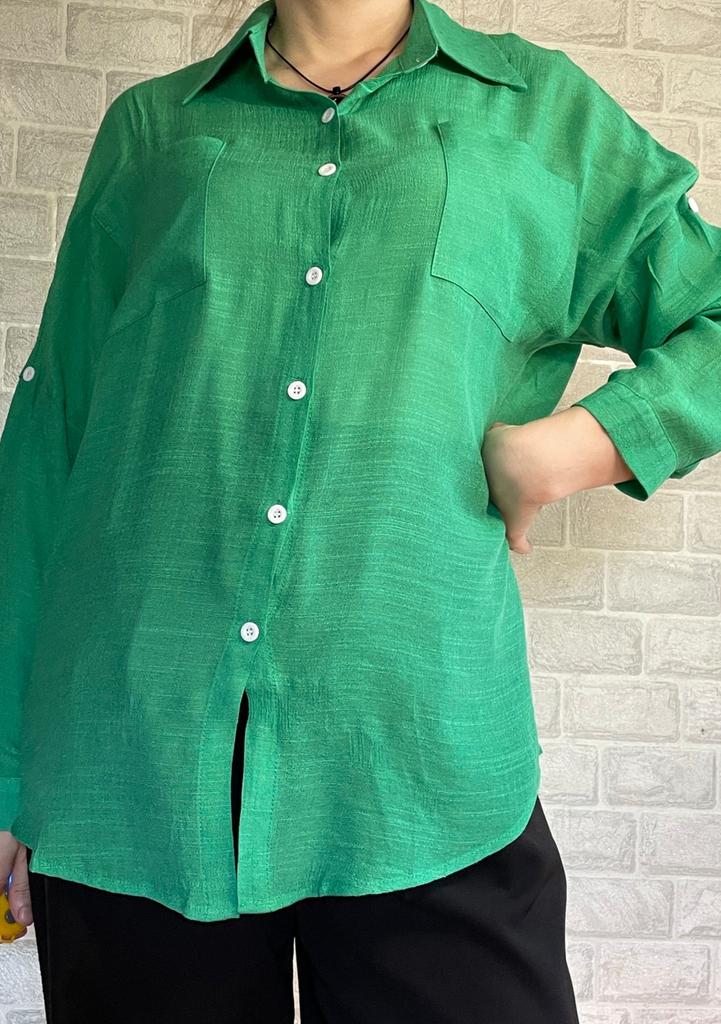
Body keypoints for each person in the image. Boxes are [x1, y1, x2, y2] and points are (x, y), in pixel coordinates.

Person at [1, 0, 720, 1020]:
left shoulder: (540, 114)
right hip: (133, 760)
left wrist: (584, 443)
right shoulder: (154, 127)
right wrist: (5, 770)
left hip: (417, 759)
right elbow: (52, 436)